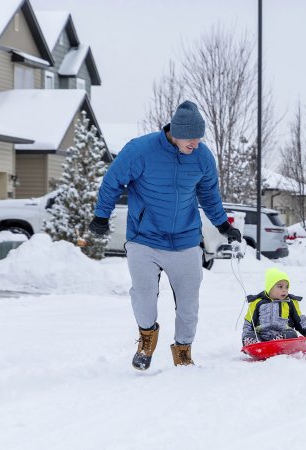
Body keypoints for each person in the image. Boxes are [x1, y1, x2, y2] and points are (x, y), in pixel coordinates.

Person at [89, 100, 242, 370]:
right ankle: (147, 340)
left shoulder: (203, 157)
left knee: (188, 302)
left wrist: (223, 225)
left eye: (198, 139)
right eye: (190, 139)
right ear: (176, 132)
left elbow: (209, 195)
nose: (195, 144)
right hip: (144, 238)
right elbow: (113, 181)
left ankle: (183, 351)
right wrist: (101, 215)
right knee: (144, 294)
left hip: (185, 240)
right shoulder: (140, 150)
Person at [242, 267, 306, 345]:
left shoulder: (290, 302)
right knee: (251, 335)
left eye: (287, 287)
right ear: (270, 288)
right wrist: (246, 336)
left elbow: (300, 320)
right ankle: (253, 343)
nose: (285, 290)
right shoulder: (257, 303)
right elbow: (248, 323)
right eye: (280, 287)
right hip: (261, 338)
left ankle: (279, 341)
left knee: (291, 334)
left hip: (282, 336)